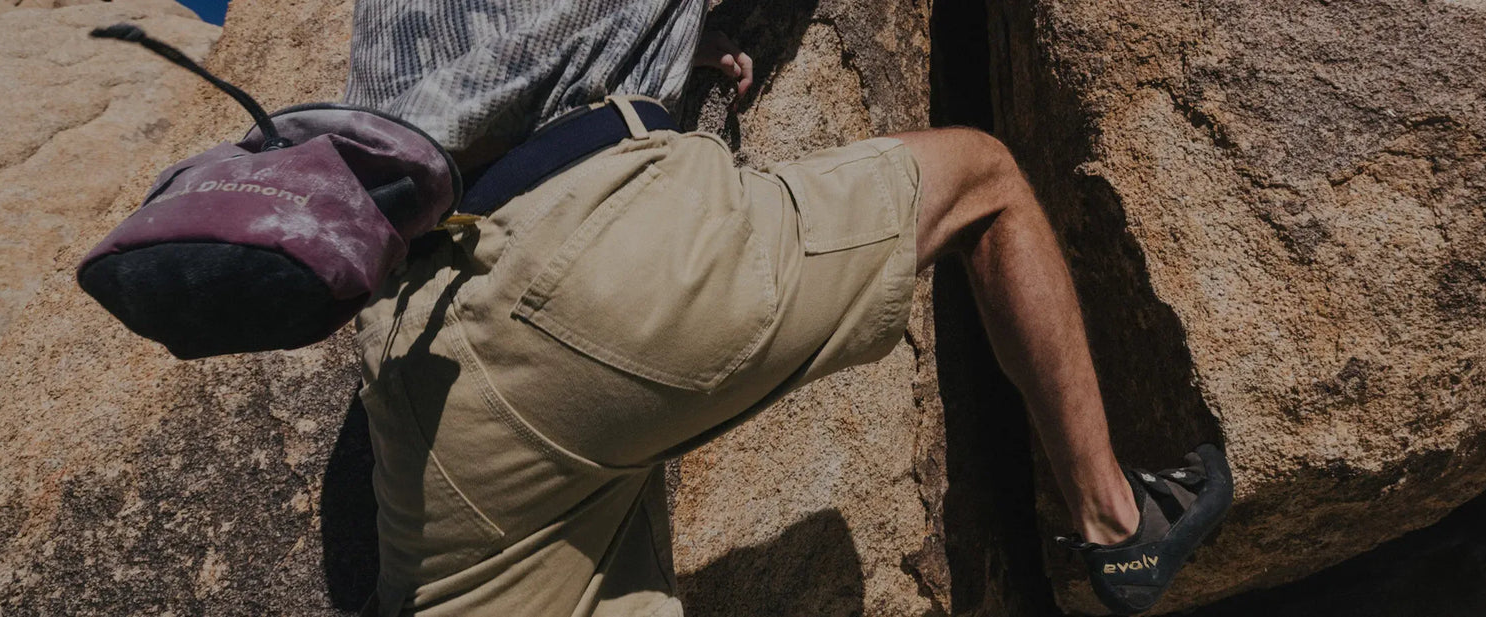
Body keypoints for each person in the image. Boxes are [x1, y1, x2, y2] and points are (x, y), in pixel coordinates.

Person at [344, 1, 1234, 615]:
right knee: (985, 185)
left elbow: (484, 68)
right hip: (598, 251)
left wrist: (648, 36)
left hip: (420, 335)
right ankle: (1118, 523)